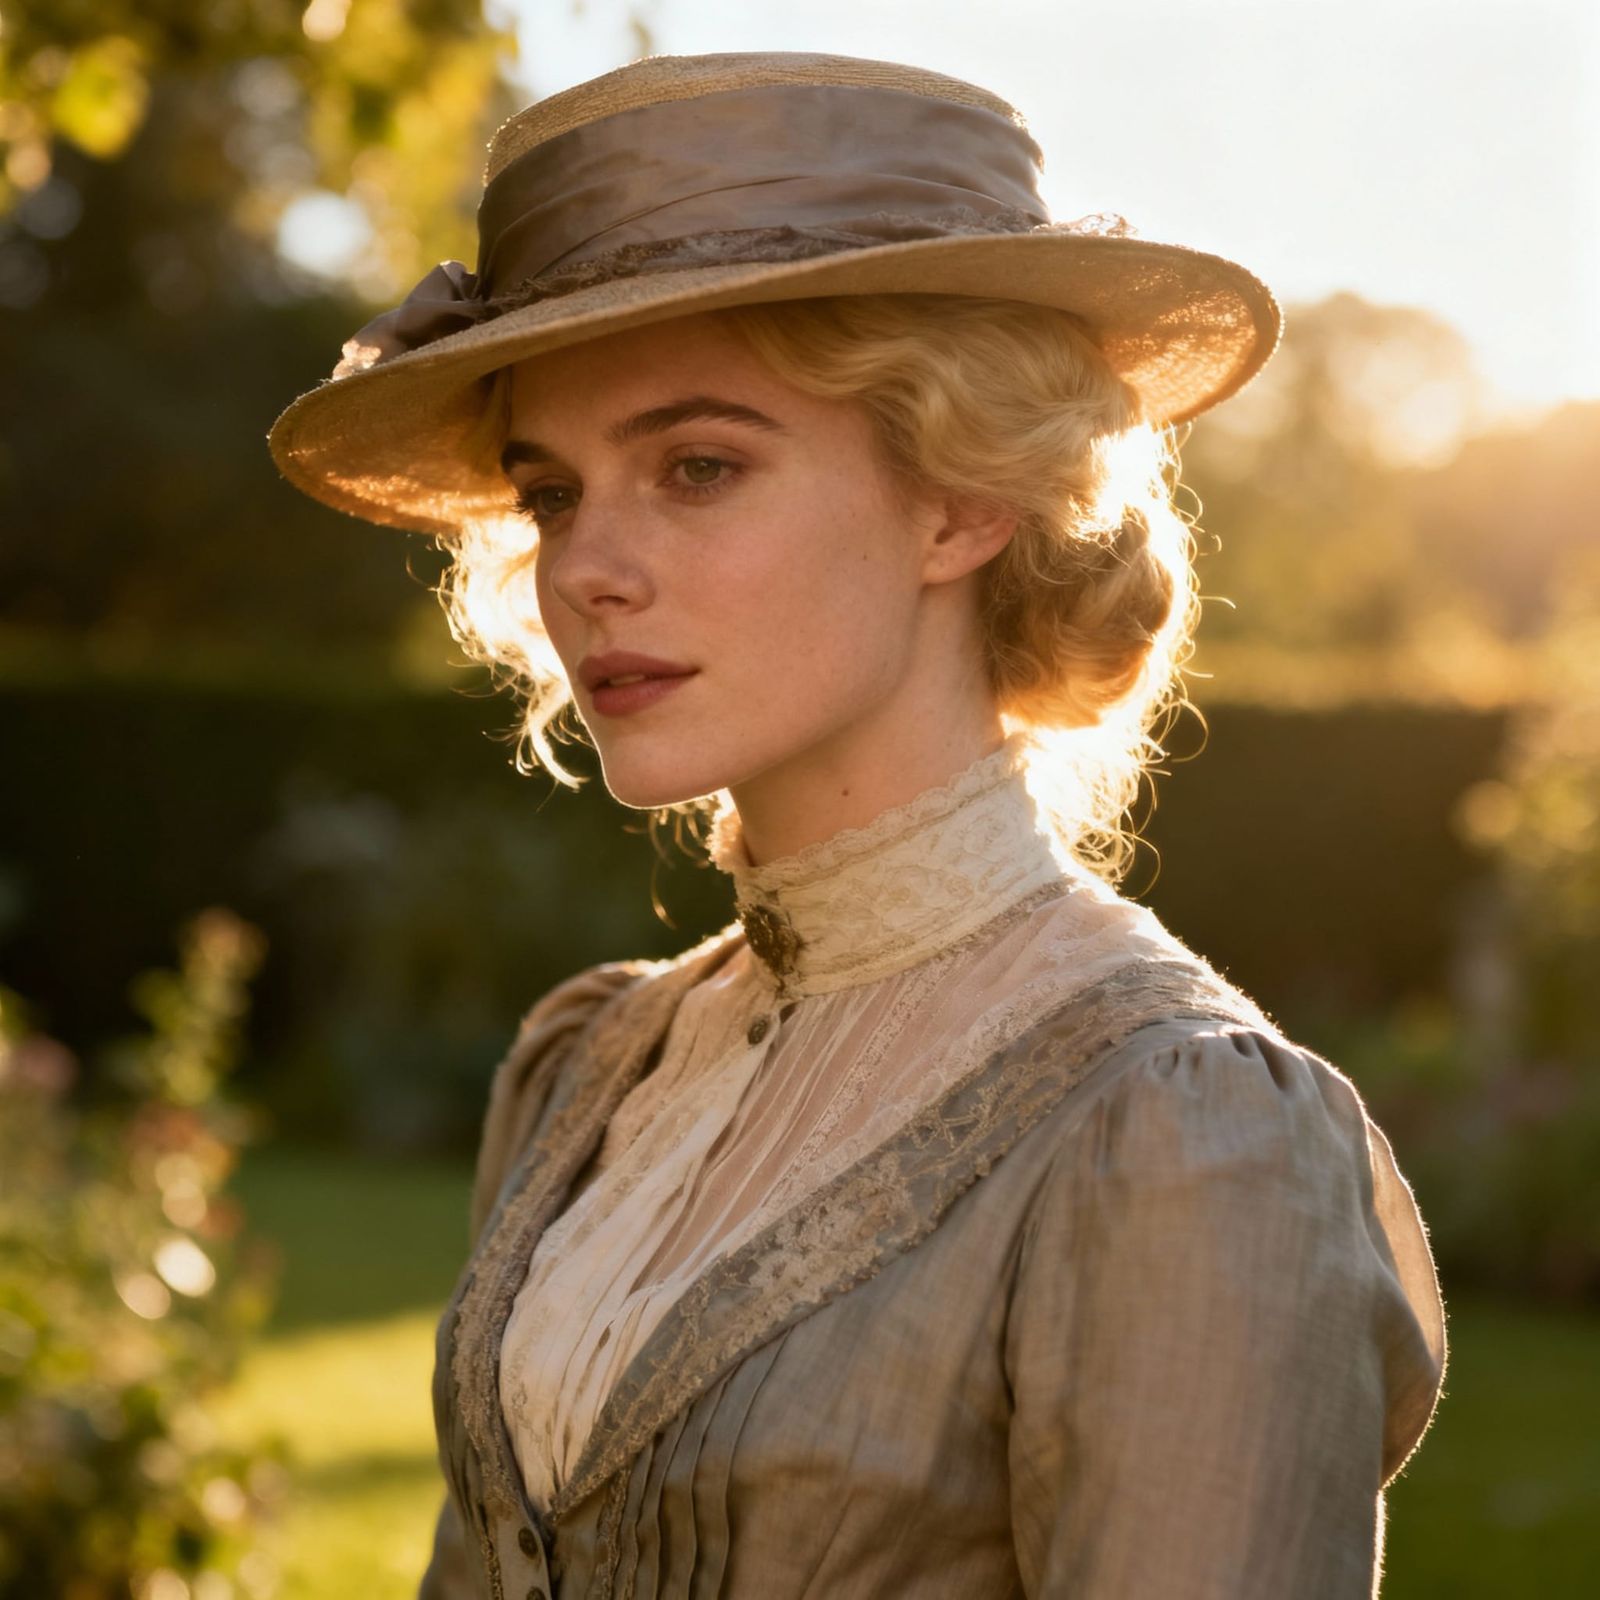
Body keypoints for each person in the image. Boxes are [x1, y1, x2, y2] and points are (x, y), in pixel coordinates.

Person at [268, 51, 1449, 1600]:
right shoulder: (592, 1071)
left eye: (698, 467)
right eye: (554, 495)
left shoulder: (1178, 1138)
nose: (587, 571)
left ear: (961, 500)